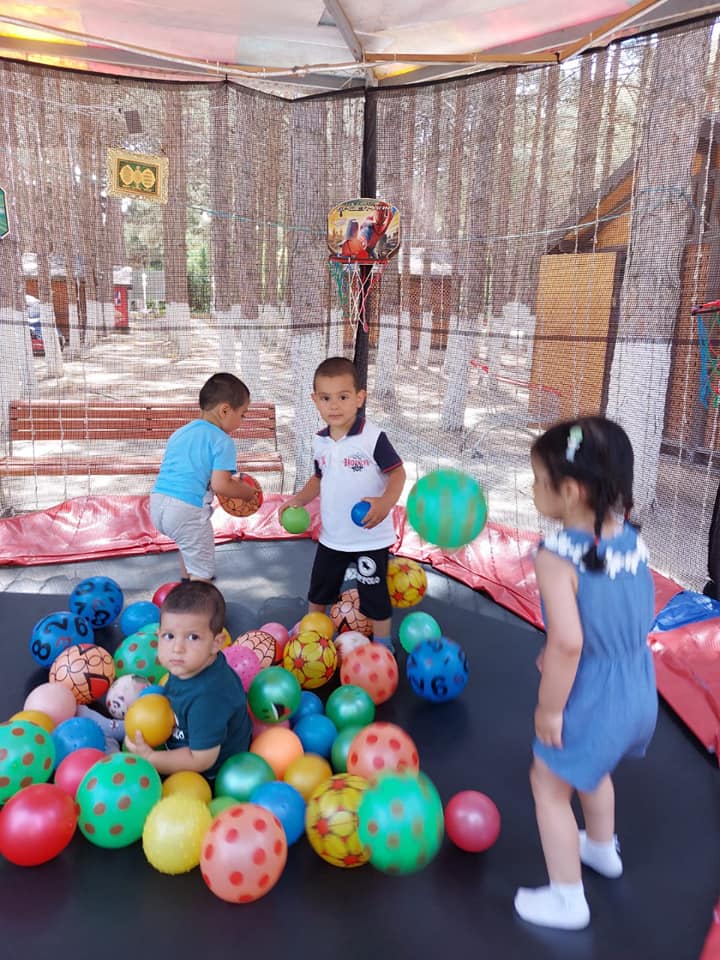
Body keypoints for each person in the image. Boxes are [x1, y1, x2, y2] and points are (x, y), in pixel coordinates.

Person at [514, 416, 657, 930]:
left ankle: (567, 899)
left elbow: (569, 643)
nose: (533, 488)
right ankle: (600, 847)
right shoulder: (632, 542)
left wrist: (550, 708)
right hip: (638, 689)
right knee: (594, 768)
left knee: (549, 784)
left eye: (538, 480)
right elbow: (628, 615)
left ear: (571, 491)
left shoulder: (557, 558)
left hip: (592, 696)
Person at [280, 356, 406, 653]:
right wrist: (297, 499)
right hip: (333, 537)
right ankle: (312, 631)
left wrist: (384, 503)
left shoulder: (373, 438)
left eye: (343, 397)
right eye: (326, 398)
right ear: (315, 400)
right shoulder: (320, 441)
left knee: (374, 594)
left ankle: (383, 644)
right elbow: (318, 478)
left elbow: (398, 473)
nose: (334, 406)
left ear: (359, 398)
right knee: (319, 589)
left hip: (369, 537)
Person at [124, 580, 251, 778]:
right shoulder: (189, 665)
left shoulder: (208, 697)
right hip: (181, 735)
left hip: (209, 773)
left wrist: (150, 757)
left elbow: (201, 759)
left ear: (216, 643)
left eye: (192, 637)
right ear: (158, 635)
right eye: (169, 636)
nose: (177, 648)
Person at [149, 372, 257, 582]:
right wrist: (246, 492)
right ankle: (198, 599)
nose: (242, 421)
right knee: (203, 571)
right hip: (186, 509)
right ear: (225, 410)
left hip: (157, 503)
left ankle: (186, 584)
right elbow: (221, 484)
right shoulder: (222, 440)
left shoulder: (181, 432)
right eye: (242, 414)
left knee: (189, 547)